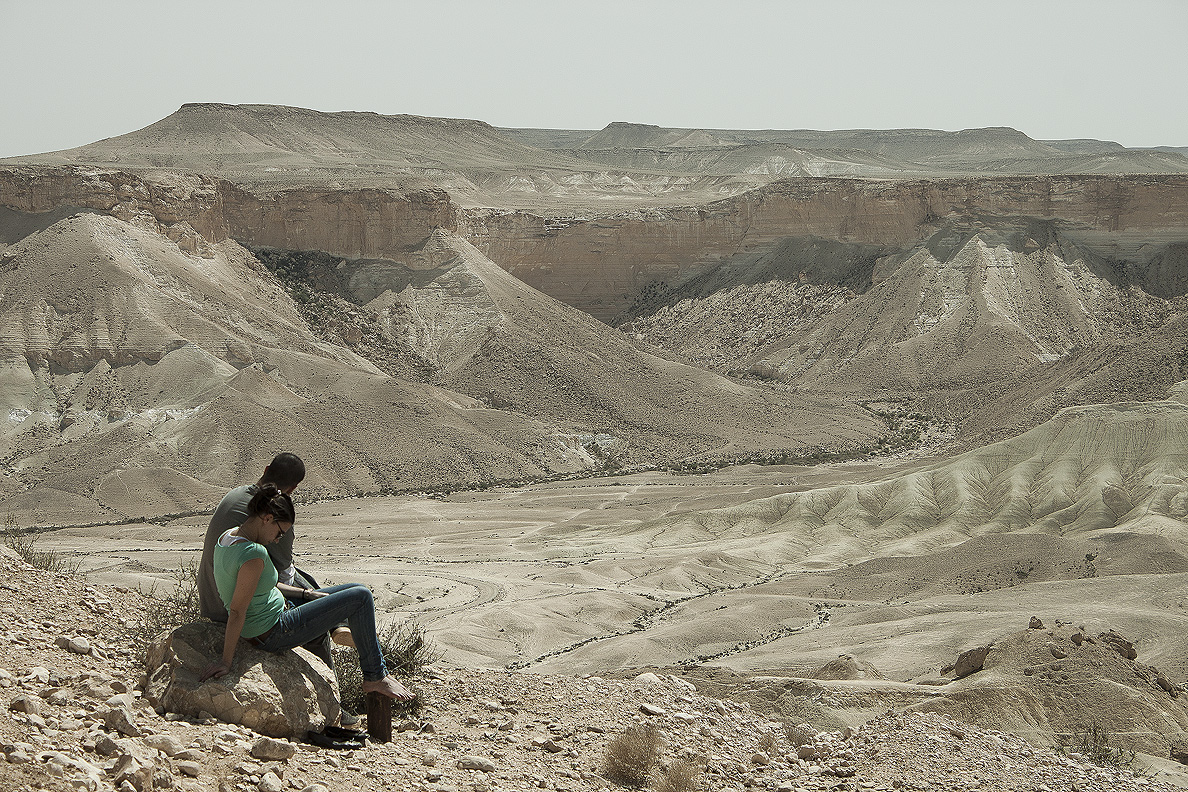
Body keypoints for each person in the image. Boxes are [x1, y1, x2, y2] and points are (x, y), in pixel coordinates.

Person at [197, 484, 413, 701]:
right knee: (361, 597)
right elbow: (236, 611)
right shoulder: (254, 554)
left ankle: (361, 653)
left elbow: (256, 587)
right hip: (275, 631)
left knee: (356, 589)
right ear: (267, 518)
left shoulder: (228, 537)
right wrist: (226, 661)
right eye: (280, 531)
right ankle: (375, 675)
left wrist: (305, 593)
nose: (278, 539)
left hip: (278, 613)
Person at [197, 453, 351, 665]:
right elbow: (284, 574)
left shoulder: (235, 495)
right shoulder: (273, 519)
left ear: (266, 469)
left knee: (304, 581)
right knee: (316, 627)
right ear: (292, 489)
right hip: (235, 609)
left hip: (209, 598)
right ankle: (328, 677)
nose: (278, 538)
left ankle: (339, 622)